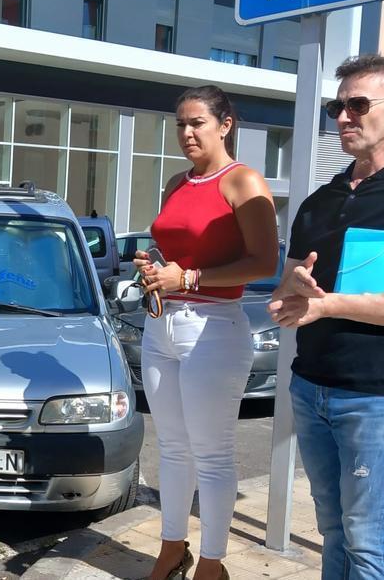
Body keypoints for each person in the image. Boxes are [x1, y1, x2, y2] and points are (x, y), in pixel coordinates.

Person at [268, 54, 384, 579]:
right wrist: (292, 294)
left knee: (366, 538)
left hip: (382, 395)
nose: (343, 117)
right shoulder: (319, 200)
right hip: (311, 388)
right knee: (333, 529)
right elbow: (287, 287)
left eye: (358, 104)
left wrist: (328, 303)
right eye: (339, 105)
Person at [136, 85, 280, 580]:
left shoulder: (243, 182)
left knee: (212, 454)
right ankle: (172, 549)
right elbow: (177, 252)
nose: (187, 132)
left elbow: (263, 261)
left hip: (214, 328)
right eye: (180, 123)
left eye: (197, 122)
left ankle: (213, 564)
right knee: (172, 448)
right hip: (161, 325)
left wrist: (190, 278)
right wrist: (154, 268)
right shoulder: (178, 182)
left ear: (226, 124)